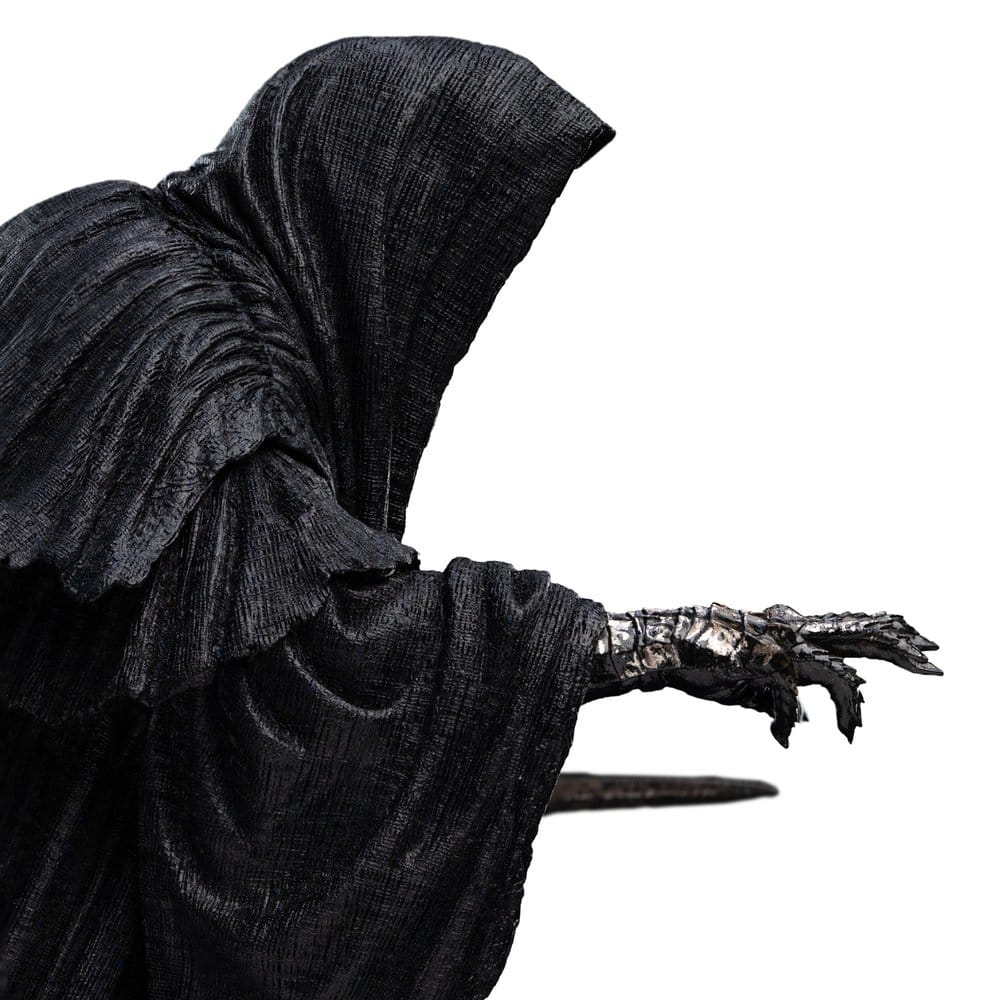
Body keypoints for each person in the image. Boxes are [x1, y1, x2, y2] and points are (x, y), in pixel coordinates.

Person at [0, 36, 939, 1000]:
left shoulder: (97, 238)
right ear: (369, 197)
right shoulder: (207, 352)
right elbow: (309, 654)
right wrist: (651, 646)